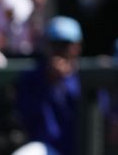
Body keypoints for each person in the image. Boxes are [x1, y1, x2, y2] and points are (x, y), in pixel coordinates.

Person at [14, 16, 84, 155]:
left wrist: (66, 81)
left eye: (64, 44)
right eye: (54, 44)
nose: (58, 50)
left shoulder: (87, 78)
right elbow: (25, 116)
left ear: (77, 47)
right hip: (46, 148)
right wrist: (48, 82)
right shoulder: (33, 77)